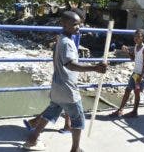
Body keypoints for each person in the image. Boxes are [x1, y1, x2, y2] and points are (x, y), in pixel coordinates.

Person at [21, 11, 107, 152]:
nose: (78, 27)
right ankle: (75, 149)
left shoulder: (60, 39)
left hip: (57, 87)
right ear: (64, 25)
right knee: (78, 120)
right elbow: (70, 65)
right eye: (74, 25)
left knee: (49, 114)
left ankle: (32, 139)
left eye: (79, 24)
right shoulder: (67, 43)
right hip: (68, 90)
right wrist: (95, 68)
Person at [109, 28, 144, 118]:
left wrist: (141, 77)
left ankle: (134, 112)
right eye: (135, 36)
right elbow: (133, 59)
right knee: (127, 90)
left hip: (141, 75)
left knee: (137, 92)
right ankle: (120, 110)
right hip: (135, 73)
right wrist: (127, 52)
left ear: (143, 38)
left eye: (138, 36)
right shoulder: (136, 46)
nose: (136, 38)